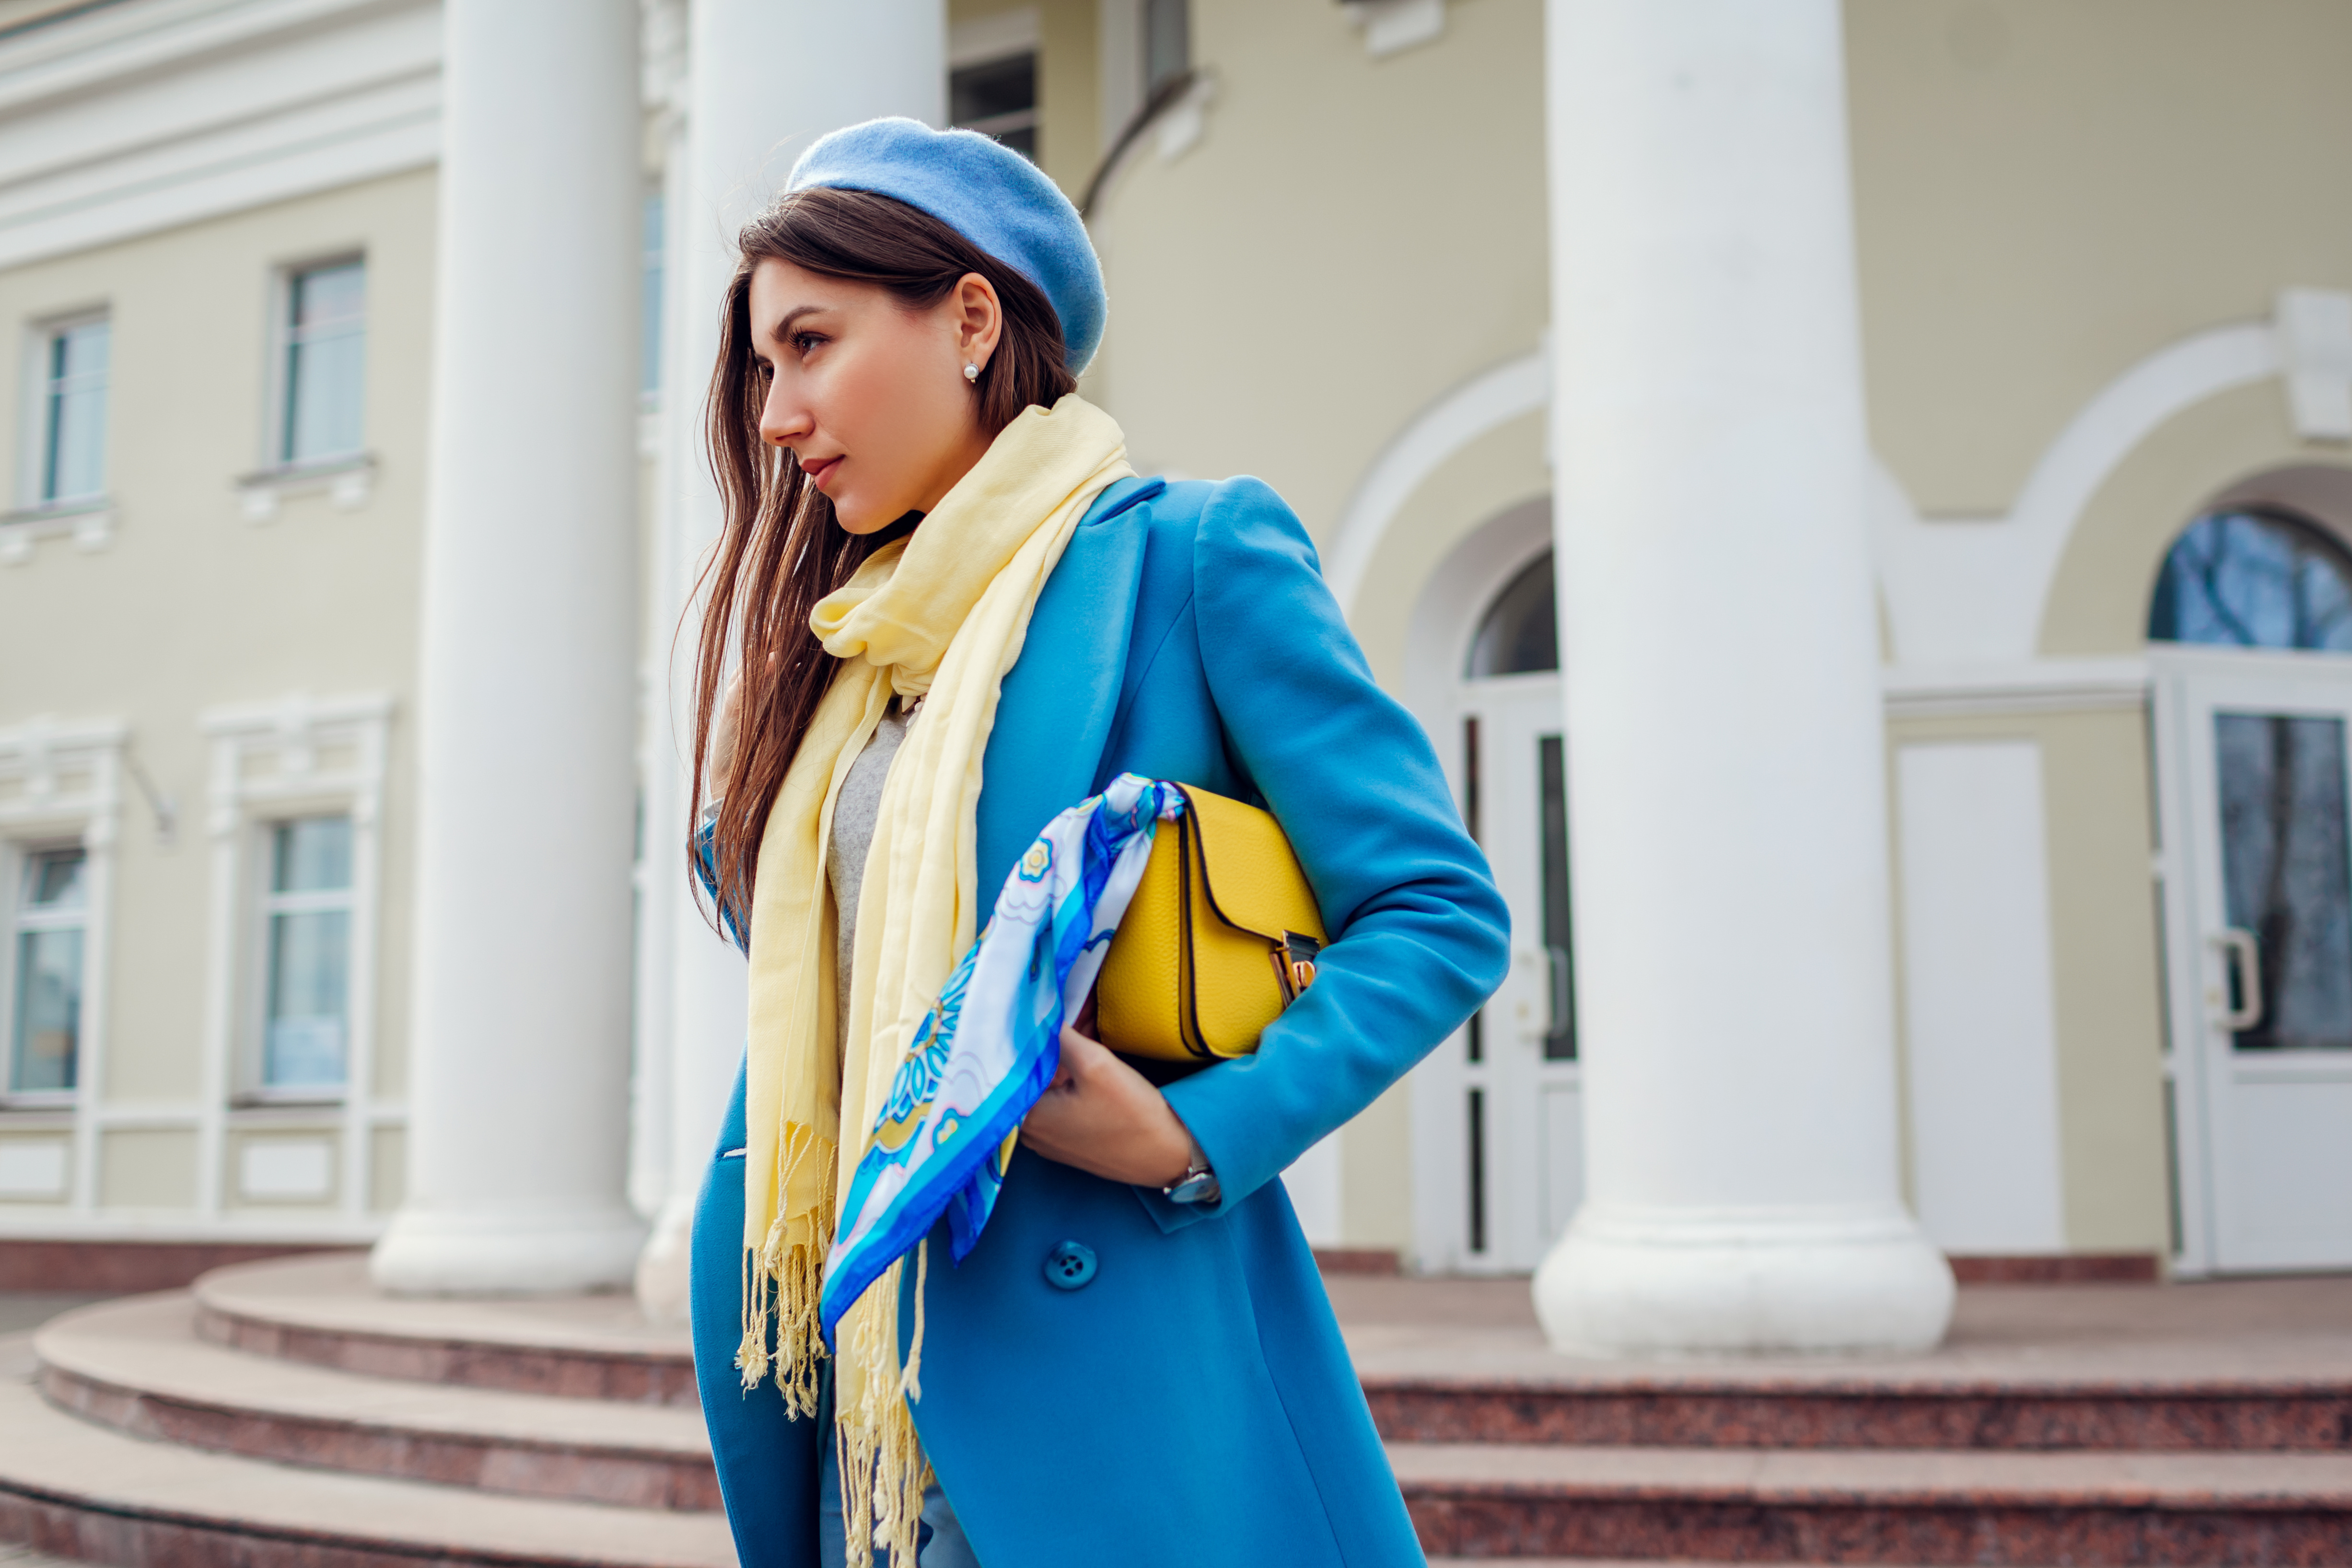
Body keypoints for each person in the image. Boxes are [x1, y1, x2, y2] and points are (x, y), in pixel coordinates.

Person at [685, 117, 1509, 1568]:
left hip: (1104, 1371)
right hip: (851, 1393)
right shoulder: (848, 649)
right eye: (763, 366)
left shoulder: (1189, 560)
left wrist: (1197, 1135)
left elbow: (1437, 912)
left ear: (971, 319)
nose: (774, 412)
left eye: (808, 345)